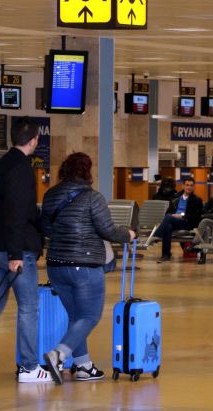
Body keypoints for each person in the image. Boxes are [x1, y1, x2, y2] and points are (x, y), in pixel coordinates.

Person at [0, 117, 53, 384]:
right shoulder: (21, 168)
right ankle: (29, 367)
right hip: (13, 250)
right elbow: (16, 212)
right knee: (29, 306)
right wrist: (16, 254)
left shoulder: (1, 165)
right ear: (34, 141)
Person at [40, 152, 135, 385]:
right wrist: (129, 234)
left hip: (56, 265)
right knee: (90, 315)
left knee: (76, 317)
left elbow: (46, 229)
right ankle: (59, 354)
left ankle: (84, 366)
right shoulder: (94, 198)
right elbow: (108, 231)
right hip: (84, 265)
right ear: (87, 171)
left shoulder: (50, 195)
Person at [155, 177, 204, 262]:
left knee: (168, 218)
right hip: (173, 221)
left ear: (194, 187)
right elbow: (167, 213)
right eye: (187, 185)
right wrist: (173, 216)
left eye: (191, 185)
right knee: (168, 226)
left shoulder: (197, 200)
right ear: (183, 186)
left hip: (187, 223)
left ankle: (156, 236)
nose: (189, 187)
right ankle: (166, 255)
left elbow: (196, 217)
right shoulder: (175, 197)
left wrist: (182, 216)